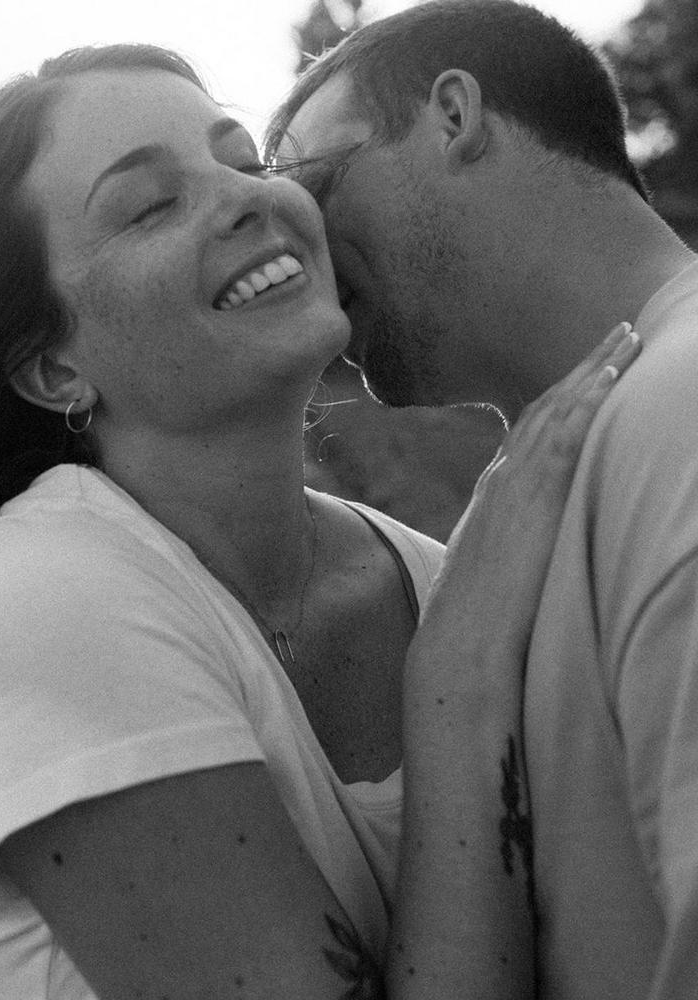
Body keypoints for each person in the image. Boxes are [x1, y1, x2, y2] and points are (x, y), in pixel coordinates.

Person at [0, 43, 638, 1000]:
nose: (244, 199)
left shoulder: (439, 577)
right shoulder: (47, 605)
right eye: (151, 205)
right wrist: (459, 683)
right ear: (53, 368)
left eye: (245, 161)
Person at [265, 2, 698, 997]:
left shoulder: (677, 417)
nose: (302, 250)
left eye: (309, 186)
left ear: (454, 117)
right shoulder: (562, 476)